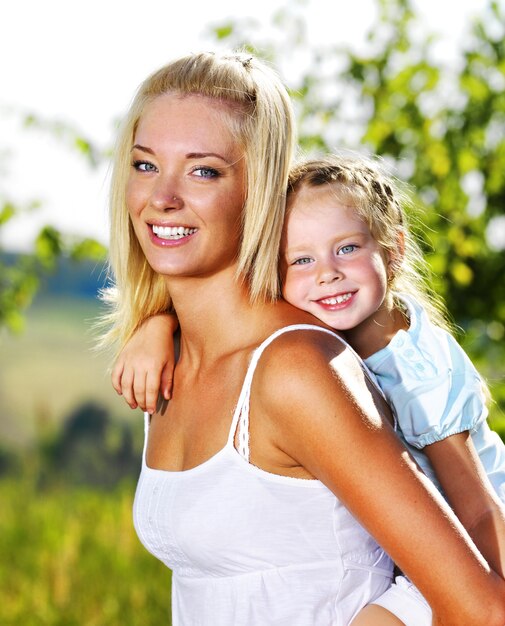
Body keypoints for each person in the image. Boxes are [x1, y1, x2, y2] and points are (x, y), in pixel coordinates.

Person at [102, 50, 505, 625]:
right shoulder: (168, 362)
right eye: (144, 165)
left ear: (259, 189)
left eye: (203, 170)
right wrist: (156, 321)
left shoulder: (296, 369)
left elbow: (481, 608)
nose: (161, 197)